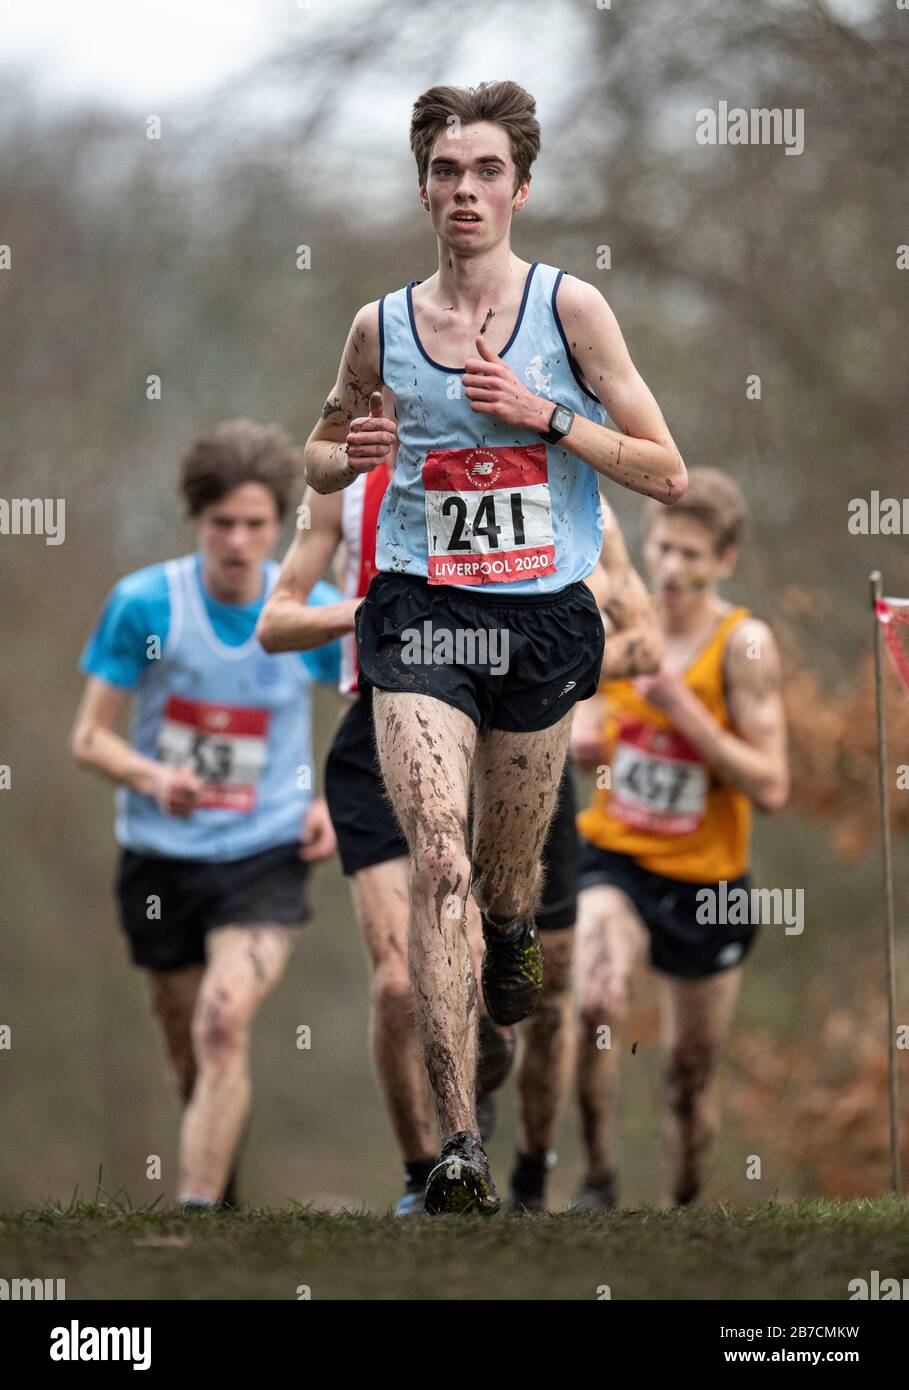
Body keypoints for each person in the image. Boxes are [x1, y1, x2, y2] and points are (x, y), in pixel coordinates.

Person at [305, 80, 686, 1213]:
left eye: (485, 173)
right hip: (420, 609)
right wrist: (350, 449)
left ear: (522, 185)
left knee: (507, 882)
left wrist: (547, 417)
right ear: (421, 182)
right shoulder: (380, 325)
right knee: (438, 858)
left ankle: (513, 936)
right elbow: (317, 455)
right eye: (444, 171)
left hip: (542, 618)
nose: (463, 192)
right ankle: (457, 1150)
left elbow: (665, 465)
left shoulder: (572, 311)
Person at [258, 424, 663, 1213]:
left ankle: (535, 1176)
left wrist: (535, 661)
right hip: (388, 721)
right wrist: (376, 614)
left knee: (541, 985)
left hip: (517, 729)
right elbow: (273, 623)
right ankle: (429, 1171)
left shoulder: (551, 482)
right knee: (399, 980)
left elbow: (643, 642)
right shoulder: (347, 485)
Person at [71, 420, 339, 1211]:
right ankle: (222, 1198)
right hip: (160, 860)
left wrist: (334, 799)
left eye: (256, 524)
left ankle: (194, 1217)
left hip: (263, 854)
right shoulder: (146, 605)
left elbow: (374, 722)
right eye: (222, 523)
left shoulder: (310, 615)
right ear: (195, 521)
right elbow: (89, 739)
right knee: (191, 1052)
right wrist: (153, 776)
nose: (238, 541)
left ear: (279, 525)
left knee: (224, 1022)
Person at [571, 468, 789, 1210]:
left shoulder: (742, 645)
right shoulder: (618, 625)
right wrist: (583, 738)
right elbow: (587, 730)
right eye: (662, 548)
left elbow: (771, 784)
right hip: (617, 860)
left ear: (722, 561)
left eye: (690, 555)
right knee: (595, 1000)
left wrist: (683, 714)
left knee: (687, 1075)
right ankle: (596, 1178)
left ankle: (684, 1209)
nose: (669, 569)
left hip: (708, 883)